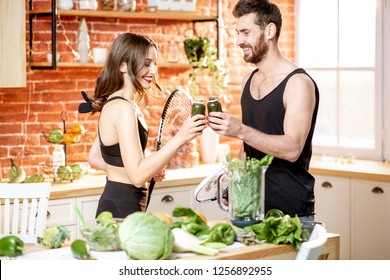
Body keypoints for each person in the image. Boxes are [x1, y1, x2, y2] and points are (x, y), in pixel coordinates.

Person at [207, 0, 319, 221]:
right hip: (249, 206)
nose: (239, 41)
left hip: (289, 212)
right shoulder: (247, 80)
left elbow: (292, 149)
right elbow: (248, 144)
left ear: (269, 30)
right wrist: (235, 180)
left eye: (246, 32)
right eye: (238, 33)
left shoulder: (298, 83)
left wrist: (240, 130)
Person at [86, 32, 206, 218]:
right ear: (122, 66)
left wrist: (148, 170)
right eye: (146, 63)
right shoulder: (124, 108)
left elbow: (94, 157)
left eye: (155, 63)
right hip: (122, 207)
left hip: (117, 202)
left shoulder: (115, 103)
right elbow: (137, 176)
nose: (154, 70)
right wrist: (180, 137)